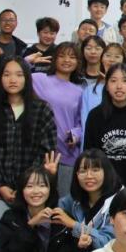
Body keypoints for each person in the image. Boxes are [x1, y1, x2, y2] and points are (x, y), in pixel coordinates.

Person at [0, 56, 58, 211]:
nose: (12, 80)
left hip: (33, 191)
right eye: (7, 74)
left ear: (27, 78)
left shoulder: (42, 110)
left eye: (19, 75)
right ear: (0, 78)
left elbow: (47, 151)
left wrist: (26, 185)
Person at [32, 42, 85, 196]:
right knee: (38, 197)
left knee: (63, 200)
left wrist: (75, 135)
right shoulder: (39, 79)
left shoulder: (79, 91)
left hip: (67, 154)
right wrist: (28, 61)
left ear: (78, 62)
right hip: (40, 152)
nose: (67, 60)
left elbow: (81, 122)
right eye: (62, 56)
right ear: (54, 59)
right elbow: (14, 73)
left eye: (72, 57)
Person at [77, 35, 108, 123]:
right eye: (88, 48)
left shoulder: (108, 78)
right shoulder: (75, 76)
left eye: (97, 48)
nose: (93, 52)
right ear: (82, 51)